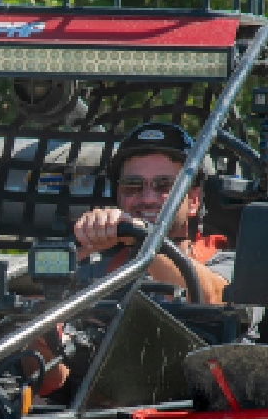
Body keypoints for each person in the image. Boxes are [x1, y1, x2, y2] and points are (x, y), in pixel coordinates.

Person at [72, 122, 231, 304]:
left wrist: (143, 238)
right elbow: (39, 314)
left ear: (193, 200)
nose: (148, 198)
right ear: (119, 196)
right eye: (132, 186)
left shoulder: (230, 265)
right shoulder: (98, 273)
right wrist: (73, 255)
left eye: (164, 186)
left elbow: (215, 298)